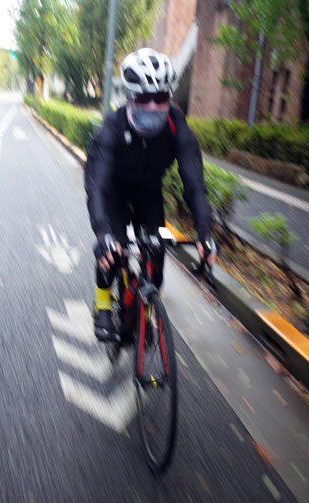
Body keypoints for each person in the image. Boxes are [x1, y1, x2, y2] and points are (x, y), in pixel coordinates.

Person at [84, 48, 217, 341]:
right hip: (113, 191)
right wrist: (103, 232)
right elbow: (97, 186)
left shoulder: (177, 127)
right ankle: (103, 302)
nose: (155, 106)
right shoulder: (112, 128)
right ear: (130, 98)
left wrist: (204, 232)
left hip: (148, 192)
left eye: (162, 98)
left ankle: (144, 311)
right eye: (145, 99)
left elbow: (194, 182)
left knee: (155, 264)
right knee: (112, 250)